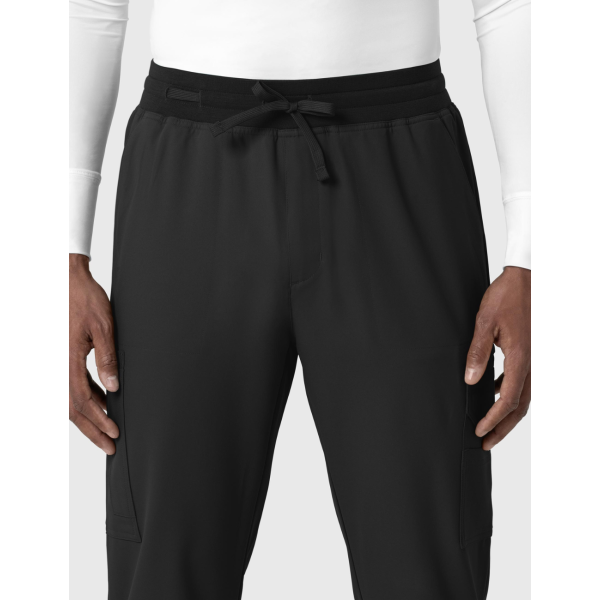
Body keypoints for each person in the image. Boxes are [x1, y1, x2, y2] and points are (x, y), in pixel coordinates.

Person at [69, 1, 531, 598]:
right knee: (163, 560)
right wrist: (63, 252)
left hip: (398, 167)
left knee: (428, 553)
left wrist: (530, 254)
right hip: (189, 168)